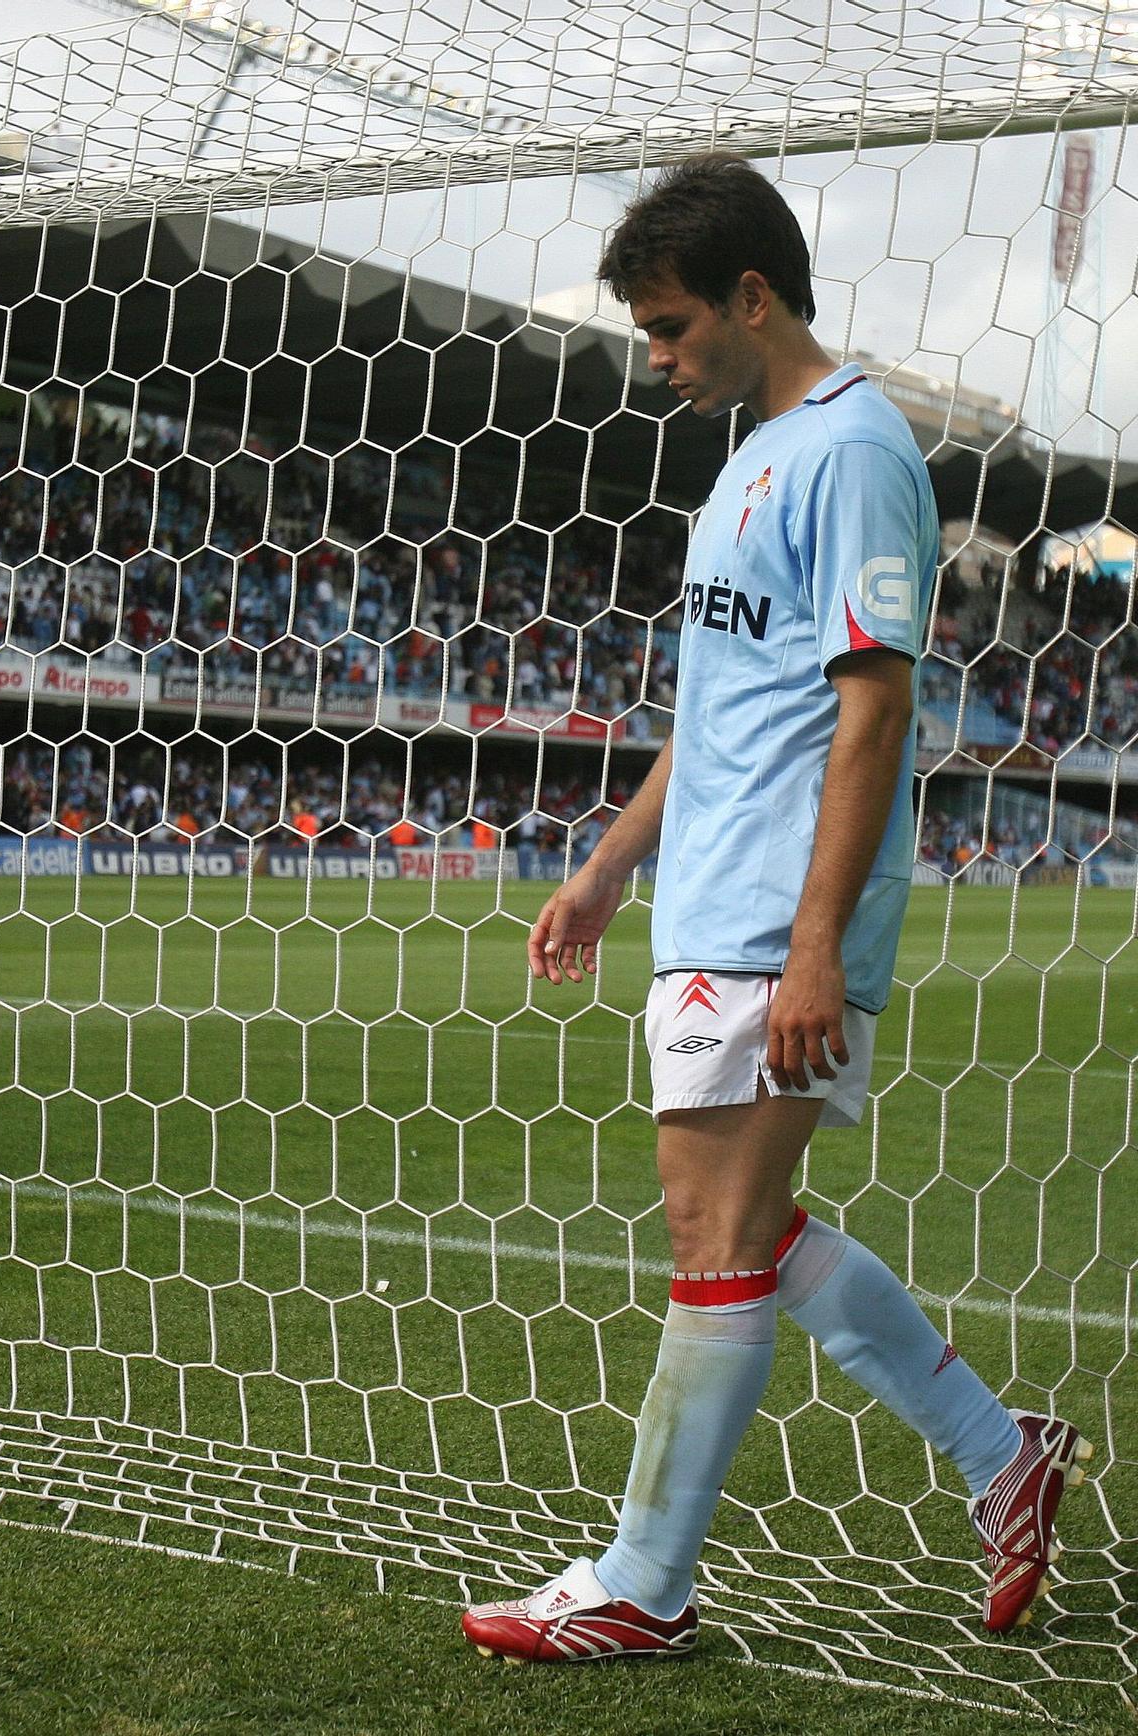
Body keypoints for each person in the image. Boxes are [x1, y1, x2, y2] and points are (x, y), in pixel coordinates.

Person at [460, 154, 1091, 1665]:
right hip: (707, 900)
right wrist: (609, 868)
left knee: (719, 1232)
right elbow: (721, 707)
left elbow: (871, 712)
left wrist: (817, 947)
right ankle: (1006, 1457)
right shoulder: (749, 455)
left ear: (755, 296)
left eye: (673, 327)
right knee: (738, 1227)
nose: (659, 358)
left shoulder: (858, 449)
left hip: (777, 920)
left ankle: (644, 1583)